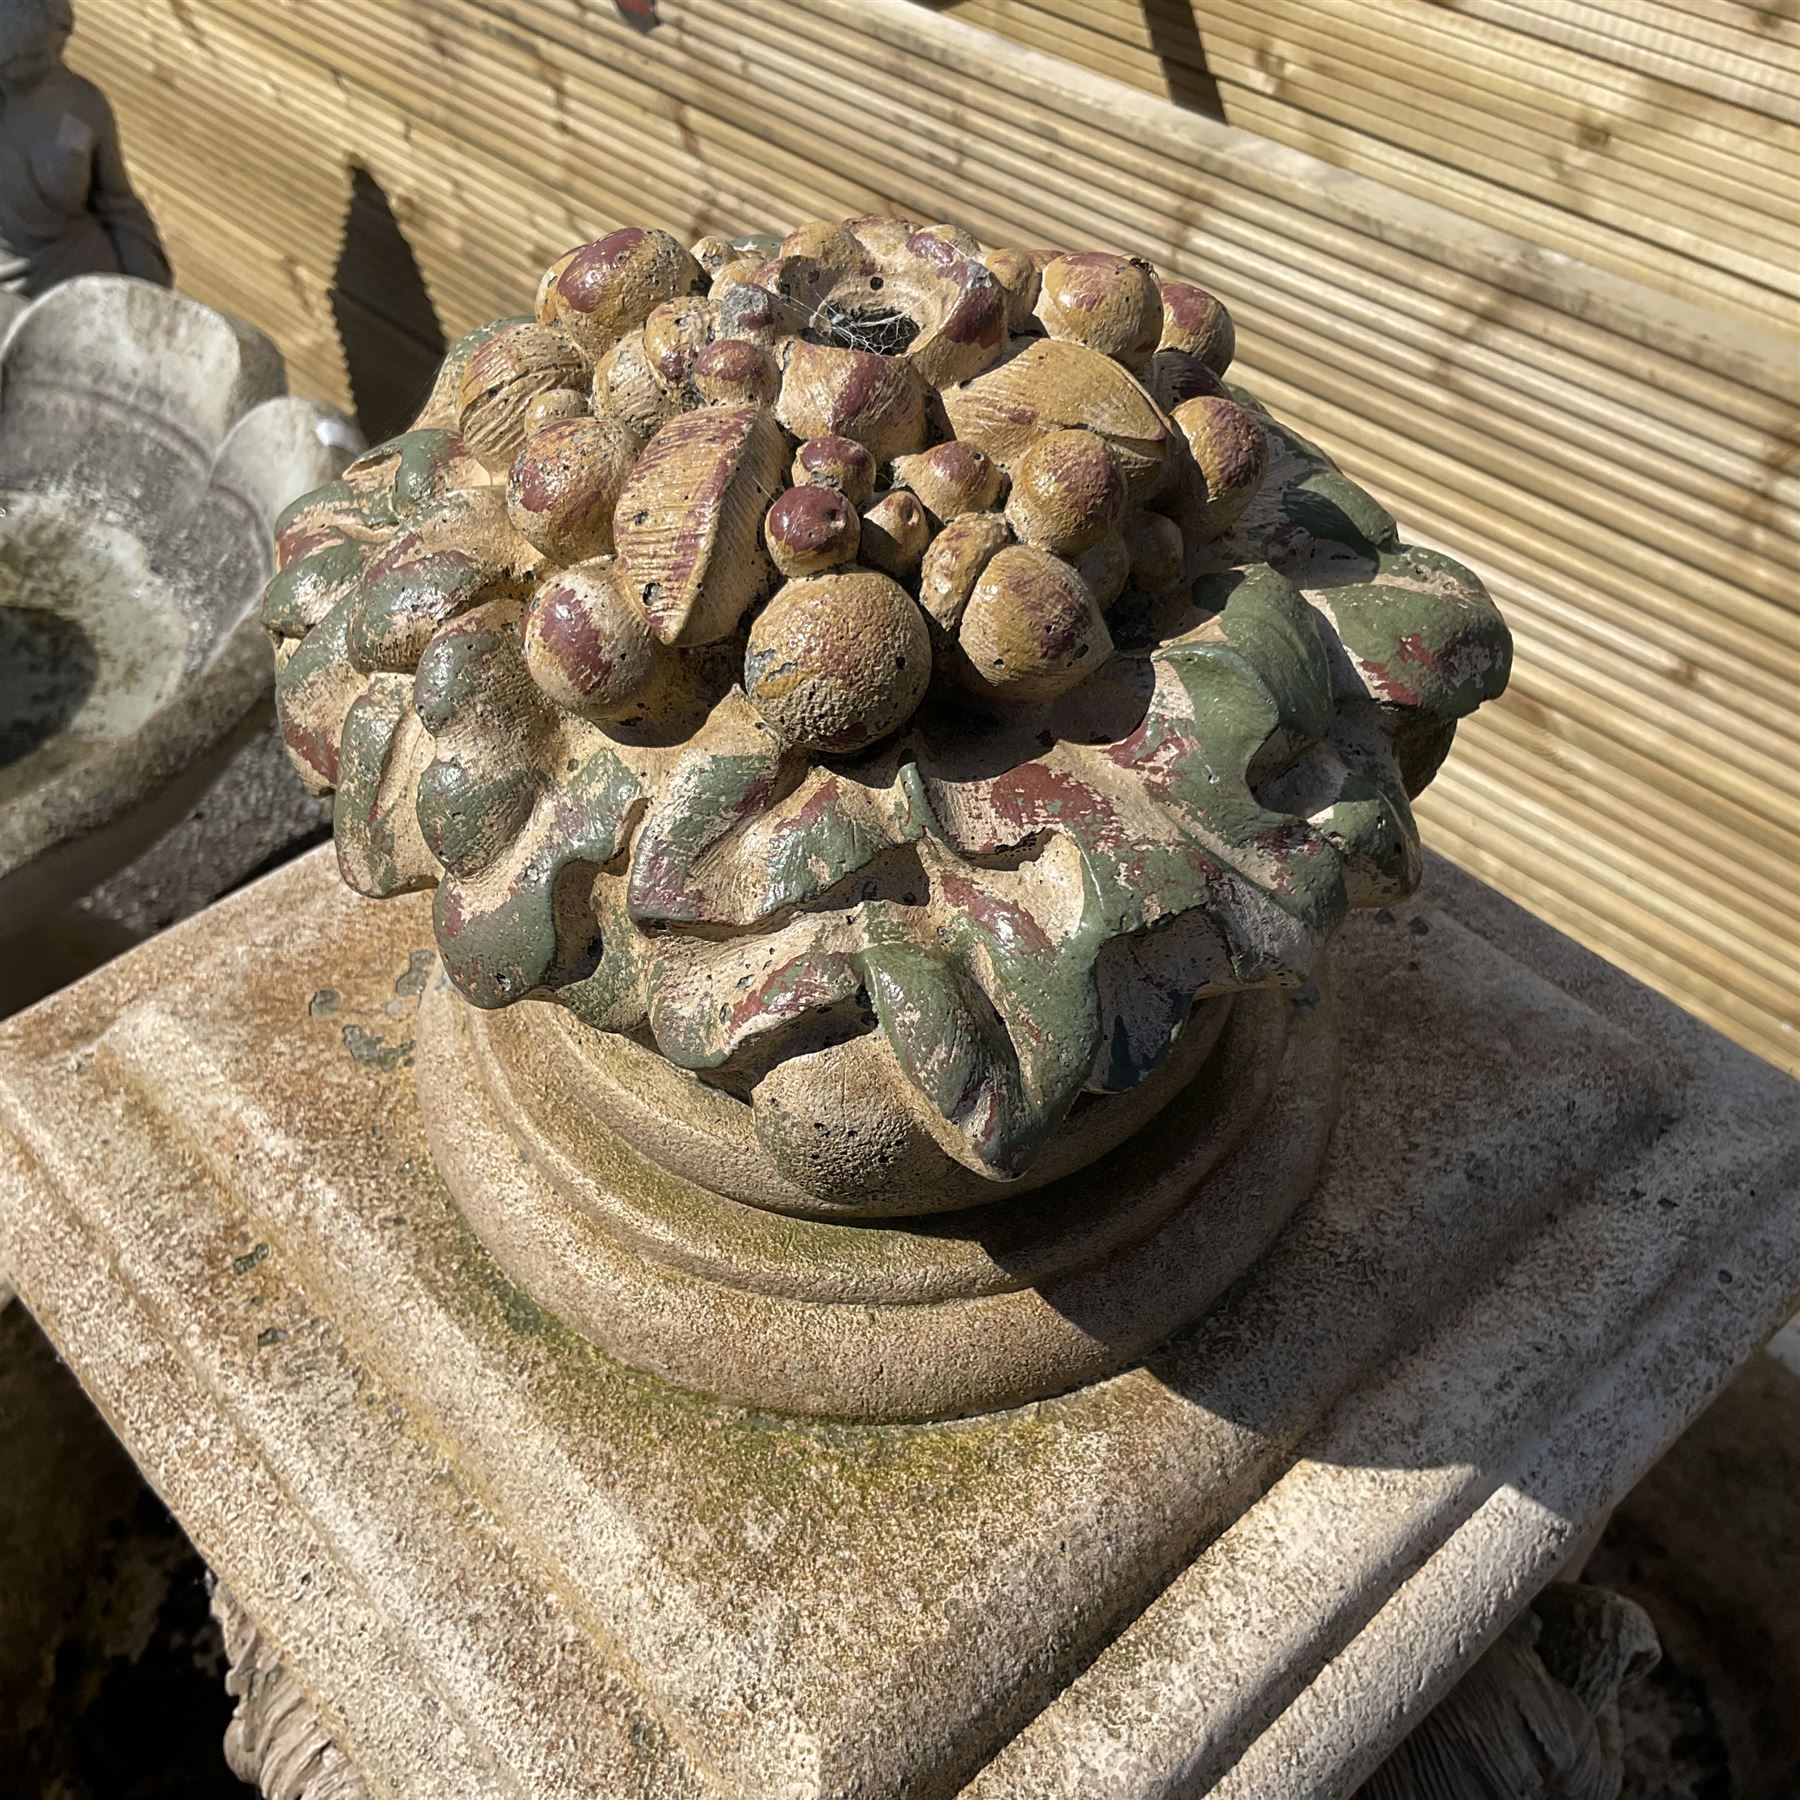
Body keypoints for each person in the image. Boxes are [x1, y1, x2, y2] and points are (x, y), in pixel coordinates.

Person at [0, 0, 169, 296]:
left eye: (41, 55)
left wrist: (146, 283)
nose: (38, 65)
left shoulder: (84, 106)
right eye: (18, 59)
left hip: (86, 278)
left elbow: (120, 204)